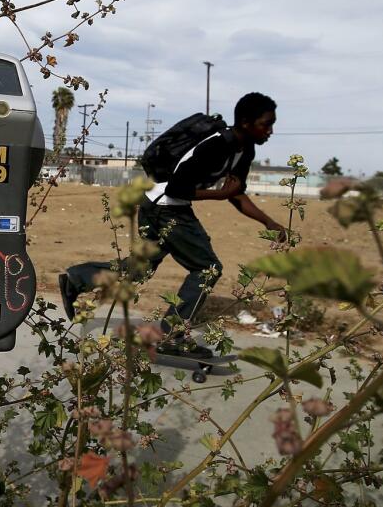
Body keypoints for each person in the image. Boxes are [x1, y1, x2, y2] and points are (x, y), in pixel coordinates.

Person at [59, 92, 286, 356]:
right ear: (246, 122)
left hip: (162, 206)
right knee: (207, 269)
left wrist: (268, 221)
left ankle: (77, 278)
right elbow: (180, 188)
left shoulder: (245, 150)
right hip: (166, 207)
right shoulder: (216, 144)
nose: (270, 130)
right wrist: (218, 195)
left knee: (139, 270)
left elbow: (235, 192)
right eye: (266, 124)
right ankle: (171, 336)